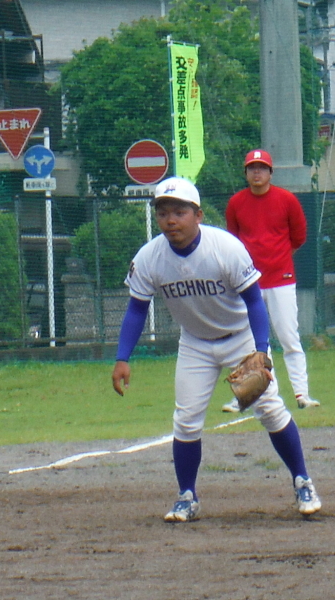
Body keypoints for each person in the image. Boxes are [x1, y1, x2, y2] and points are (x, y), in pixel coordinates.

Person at [111, 176, 322, 523]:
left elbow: (255, 302)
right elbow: (136, 309)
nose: (170, 220)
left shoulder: (225, 248)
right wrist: (122, 357)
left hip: (240, 338)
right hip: (195, 343)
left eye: (179, 212)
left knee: (269, 409)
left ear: (198, 215)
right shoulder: (150, 258)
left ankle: (303, 482)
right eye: (163, 213)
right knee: (186, 420)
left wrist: (260, 351)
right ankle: (187, 496)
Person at [222, 148, 320, 413]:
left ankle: (302, 393)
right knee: (250, 342)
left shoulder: (286, 200)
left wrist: (279, 259)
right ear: (246, 173)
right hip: (248, 282)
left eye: (262, 168)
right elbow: (233, 241)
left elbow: (298, 237)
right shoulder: (236, 203)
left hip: (281, 279)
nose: (257, 172)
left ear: (270, 172)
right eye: (252, 168)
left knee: (289, 337)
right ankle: (248, 395)